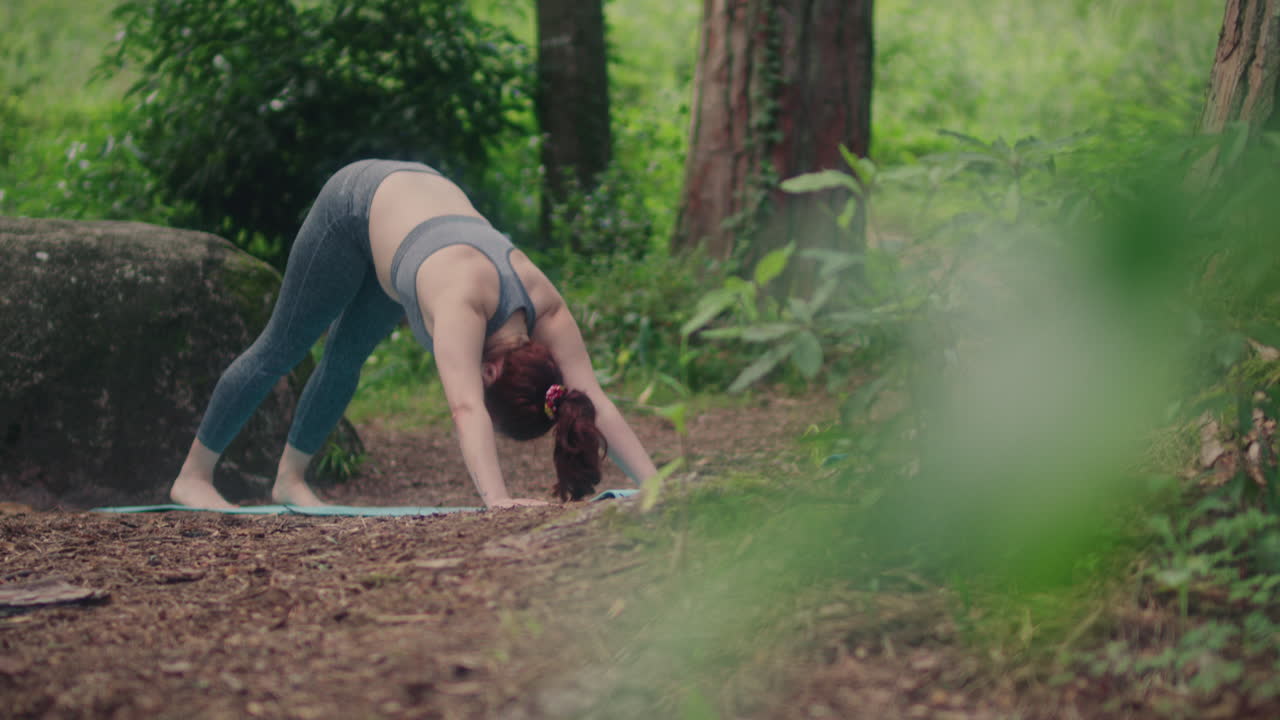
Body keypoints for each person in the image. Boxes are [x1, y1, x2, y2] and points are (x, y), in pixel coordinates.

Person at [168, 159, 658, 510]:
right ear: (491, 371)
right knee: (282, 347)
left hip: (412, 225)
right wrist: (499, 500)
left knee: (346, 357)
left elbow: (591, 397)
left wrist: (657, 485)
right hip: (356, 205)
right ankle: (193, 477)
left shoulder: (543, 304)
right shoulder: (461, 305)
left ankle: (289, 481)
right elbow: (466, 408)